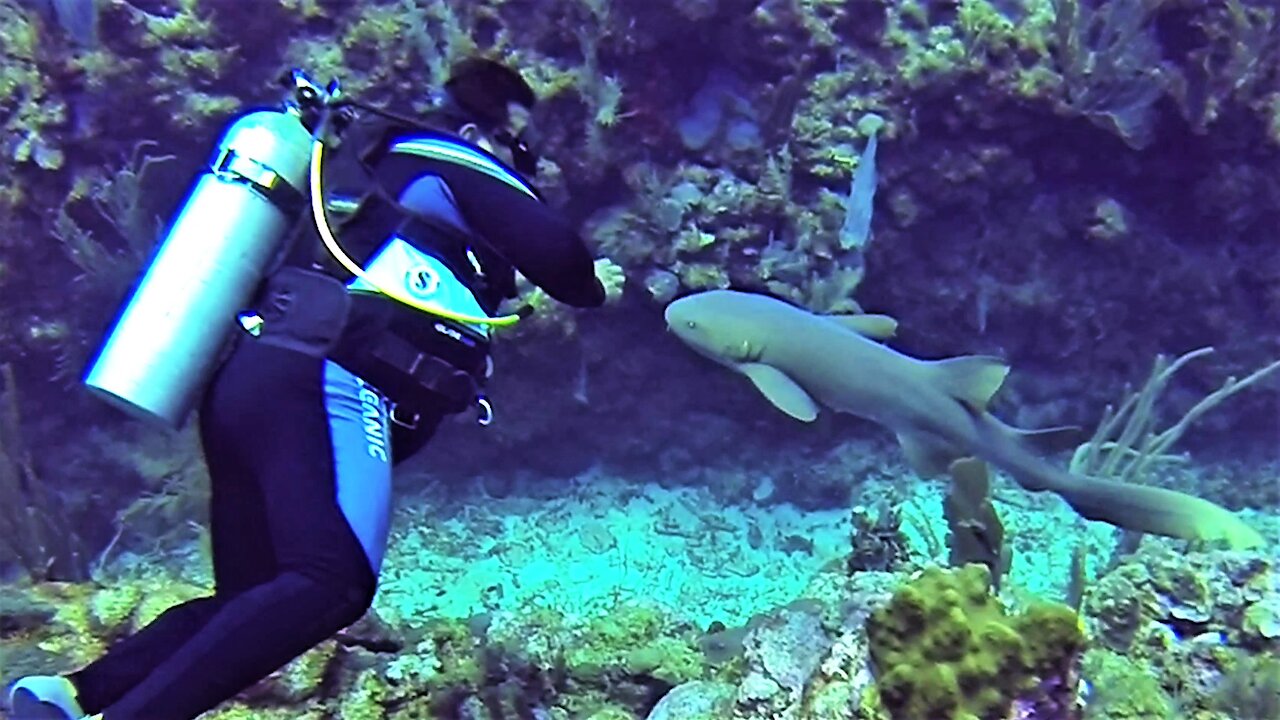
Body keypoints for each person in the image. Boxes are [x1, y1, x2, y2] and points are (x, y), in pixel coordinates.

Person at [8, 57, 618, 720]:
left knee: (255, 594)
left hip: (252, 379)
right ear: (486, 128)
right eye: (523, 147)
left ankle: (69, 695)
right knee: (332, 582)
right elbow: (561, 258)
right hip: (324, 381)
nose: (529, 169)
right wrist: (592, 287)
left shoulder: (369, 179)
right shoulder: (446, 158)